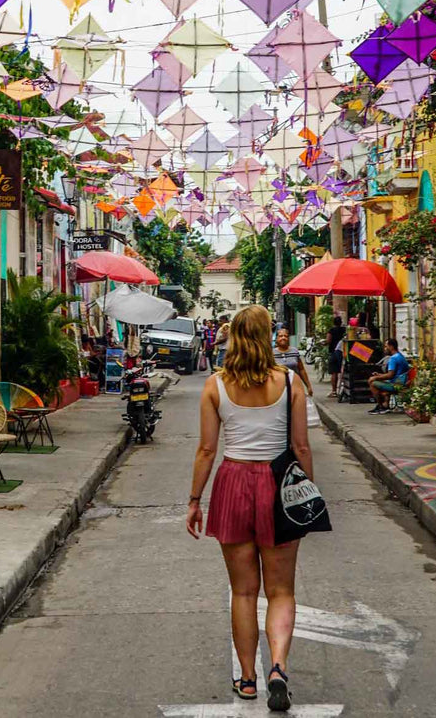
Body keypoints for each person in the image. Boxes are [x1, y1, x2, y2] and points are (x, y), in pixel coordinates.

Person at [187, 305, 313, 712]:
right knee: (281, 590)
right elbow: (301, 446)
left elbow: (207, 449)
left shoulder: (215, 385)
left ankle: (247, 679)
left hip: (233, 481)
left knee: (243, 591)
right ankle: (278, 666)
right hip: (279, 484)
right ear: (267, 336)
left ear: (234, 337)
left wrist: (194, 499)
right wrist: (307, 494)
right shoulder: (289, 381)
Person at [367, 338, 410, 413]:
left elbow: (390, 375)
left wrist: (375, 377)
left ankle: (381, 406)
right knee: (378, 380)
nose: (385, 349)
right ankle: (386, 403)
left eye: (386, 346)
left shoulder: (393, 359)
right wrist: (380, 375)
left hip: (396, 384)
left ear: (391, 347)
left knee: (372, 383)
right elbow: (394, 374)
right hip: (400, 381)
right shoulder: (400, 356)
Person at [326, 315, 346, 395]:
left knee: (334, 372)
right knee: (343, 370)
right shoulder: (344, 330)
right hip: (343, 352)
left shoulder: (331, 330)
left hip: (334, 352)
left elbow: (328, 340)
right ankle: (343, 389)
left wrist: (324, 343)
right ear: (341, 322)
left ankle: (334, 391)